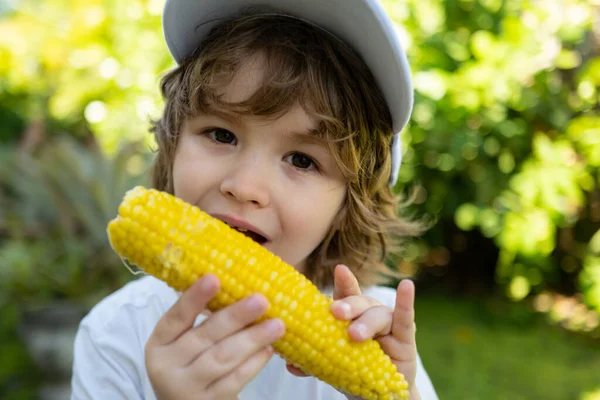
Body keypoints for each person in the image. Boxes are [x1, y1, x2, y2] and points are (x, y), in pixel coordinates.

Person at [71, 0, 439, 399]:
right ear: (172, 144)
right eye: (221, 135)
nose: (245, 186)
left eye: (302, 160)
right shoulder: (116, 335)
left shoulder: (374, 334)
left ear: (347, 208)